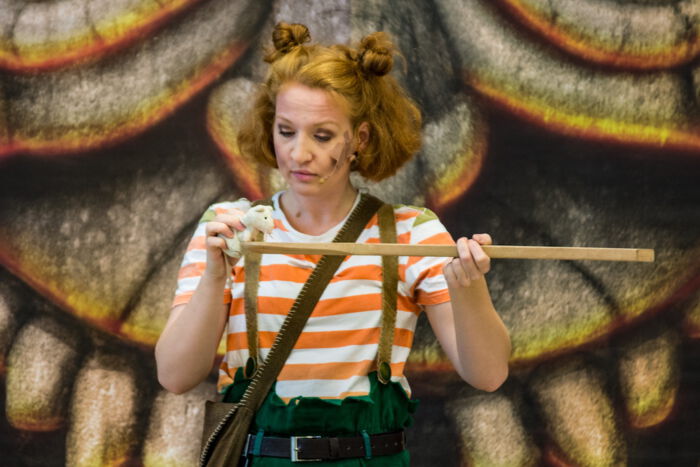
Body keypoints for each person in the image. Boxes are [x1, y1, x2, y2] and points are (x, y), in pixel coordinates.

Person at [155, 22, 511, 465]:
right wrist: (214, 276)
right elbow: (175, 376)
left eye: (321, 135)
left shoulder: (411, 234)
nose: (298, 153)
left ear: (359, 138)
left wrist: (470, 288)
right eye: (286, 131)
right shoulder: (229, 229)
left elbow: (489, 374)